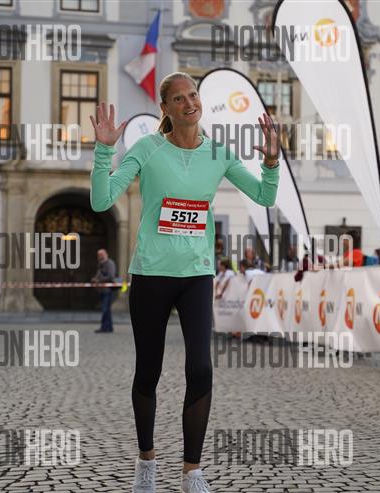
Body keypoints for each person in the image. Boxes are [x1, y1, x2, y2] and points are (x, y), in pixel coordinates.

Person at [89, 72, 279, 493]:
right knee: (148, 371)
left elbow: (265, 197)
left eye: (193, 94)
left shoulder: (219, 153)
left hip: (196, 275)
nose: (190, 102)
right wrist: (104, 151)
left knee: (201, 368)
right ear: (166, 108)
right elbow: (101, 200)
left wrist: (270, 163)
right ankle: (146, 463)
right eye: (179, 98)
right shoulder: (147, 149)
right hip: (151, 274)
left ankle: (192, 471)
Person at [92, 248, 116, 334]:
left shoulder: (110, 263)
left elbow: (111, 276)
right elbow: (99, 274)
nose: (100, 256)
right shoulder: (100, 264)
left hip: (108, 290)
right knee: (107, 310)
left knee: (105, 309)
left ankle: (104, 327)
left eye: (101, 254)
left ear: (106, 254)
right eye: (99, 255)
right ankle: (109, 327)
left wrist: (99, 280)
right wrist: (95, 279)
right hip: (102, 290)